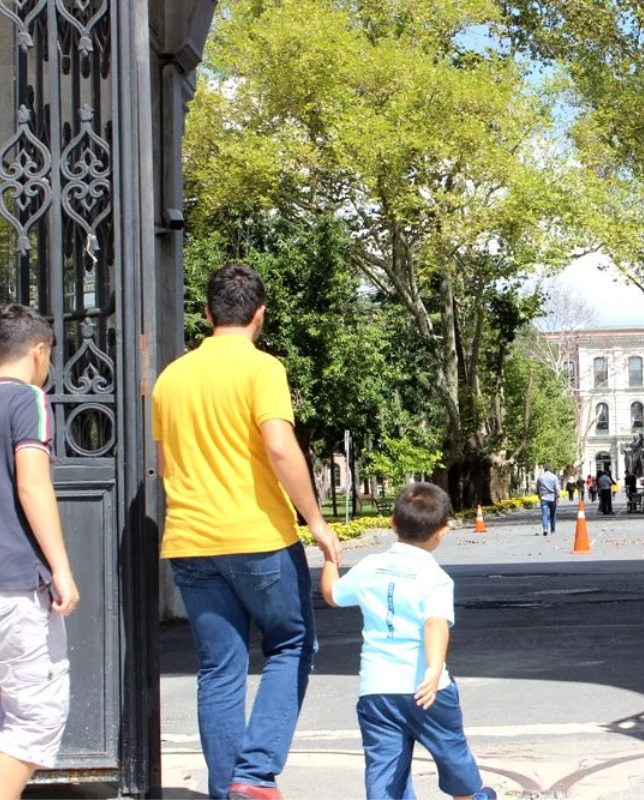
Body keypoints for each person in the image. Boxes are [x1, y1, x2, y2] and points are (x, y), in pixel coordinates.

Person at [154, 263, 341, 800]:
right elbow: (280, 447)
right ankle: (254, 775)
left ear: (208, 313)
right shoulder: (263, 369)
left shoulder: (171, 377)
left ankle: (226, 789)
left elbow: (166, 464)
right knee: (291, 645)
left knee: (218, 669)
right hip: (258, 538)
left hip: (191, 541)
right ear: (260, 314)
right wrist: (317, 522)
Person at [0, 304, 79, 800]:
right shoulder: (28, 399)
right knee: (38, 716)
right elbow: (33, 484)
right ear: (40, 350)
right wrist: (62, 569)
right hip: (11, 584)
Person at [320, 483, 496, 800]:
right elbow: (435, 623)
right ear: (442, 532)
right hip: (428, 690)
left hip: (377, 690)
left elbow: (332, 595)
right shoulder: (435, 577)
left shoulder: (369, 567)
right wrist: (433, 667)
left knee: (384, 768)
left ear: (392, 523)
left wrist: (331, 558)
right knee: (451, 752)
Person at [536, 465, 559, 536]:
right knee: (552, 515)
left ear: (544, 469)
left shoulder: (540, 477)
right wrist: (557, 496)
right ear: (551, 469)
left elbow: (537, 487)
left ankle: (545, 529)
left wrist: (538, 494)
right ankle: (553, 531)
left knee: (544, 514)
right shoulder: (554, 477)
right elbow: (557, 488)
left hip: (543, 497)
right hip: (552, 498)